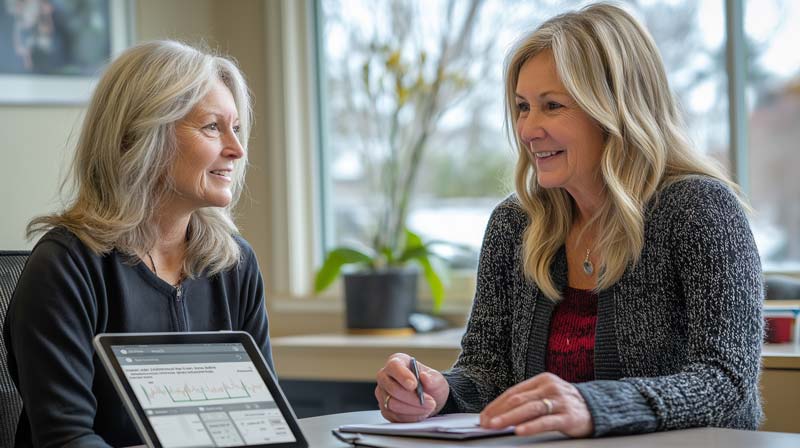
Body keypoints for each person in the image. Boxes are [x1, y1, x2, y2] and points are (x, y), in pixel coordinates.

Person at [375, 3, 763, 438]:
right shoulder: (514, 224)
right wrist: (439, 391)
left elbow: (726, 381)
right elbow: (489, 373)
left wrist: (593, 405)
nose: (527, 129)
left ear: (615, 109)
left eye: (551, 106)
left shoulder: (700, 209)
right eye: (523, 107)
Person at [3, 40, 272, 447]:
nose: (236, 149)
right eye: (213, 127)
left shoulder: (235, 264)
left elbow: (263, 427)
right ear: (138, 137)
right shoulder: (65, 268)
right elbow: (68, 439)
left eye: (235, 128)